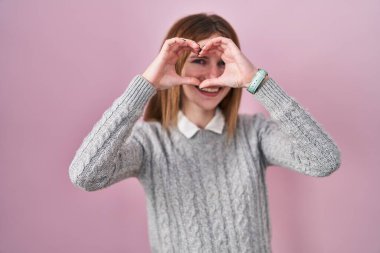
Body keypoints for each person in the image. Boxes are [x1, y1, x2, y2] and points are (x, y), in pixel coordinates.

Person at [69, 13, 341, 253]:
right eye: (200, 61)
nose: (212, 75)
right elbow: (86, 175)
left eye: (222, 63)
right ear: (175, 65)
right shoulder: (149, 142)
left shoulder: (254, 134)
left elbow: (324, 160)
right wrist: (146, 85)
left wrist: (258, 82)